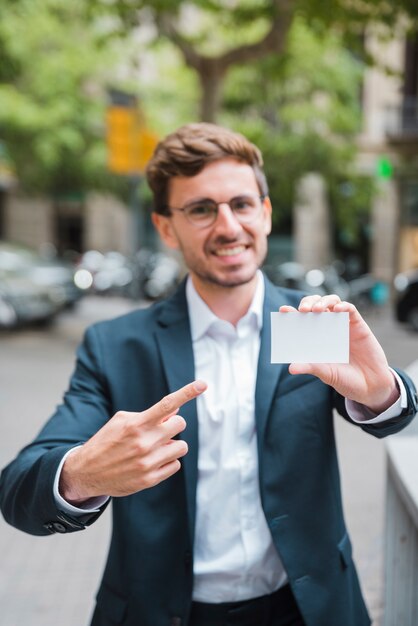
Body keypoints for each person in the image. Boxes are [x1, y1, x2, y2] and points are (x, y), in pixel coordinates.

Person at [0, 123, 417, 626]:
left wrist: (382, 393)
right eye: (201, 209)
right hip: (165, 614)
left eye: (241, 204)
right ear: (166, 227)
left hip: (306, 608)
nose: (227, 226)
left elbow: (391, 418)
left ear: (264, 214)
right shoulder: (116, 346)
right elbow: (19, 490)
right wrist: (83, 472)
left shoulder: (308, 323)